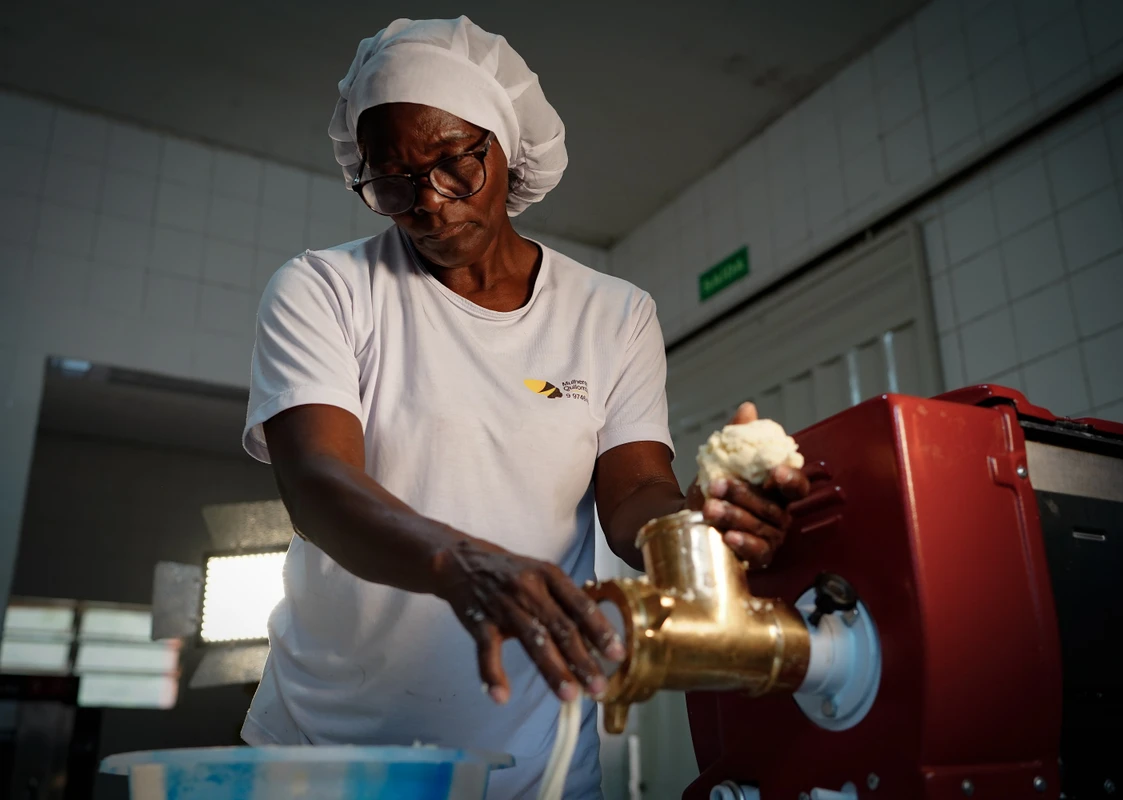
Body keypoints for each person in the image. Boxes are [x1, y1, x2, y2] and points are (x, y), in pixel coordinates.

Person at [241, 16, 809, 799]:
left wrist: (696, 531)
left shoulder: (612, 314)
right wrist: (463, 563)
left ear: (506, 148)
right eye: (393, 182)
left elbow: (635, 494)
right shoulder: (325, 290)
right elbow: (316, 485)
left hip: (534, 759)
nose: (430, 205)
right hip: (328, 749)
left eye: (452, 166)